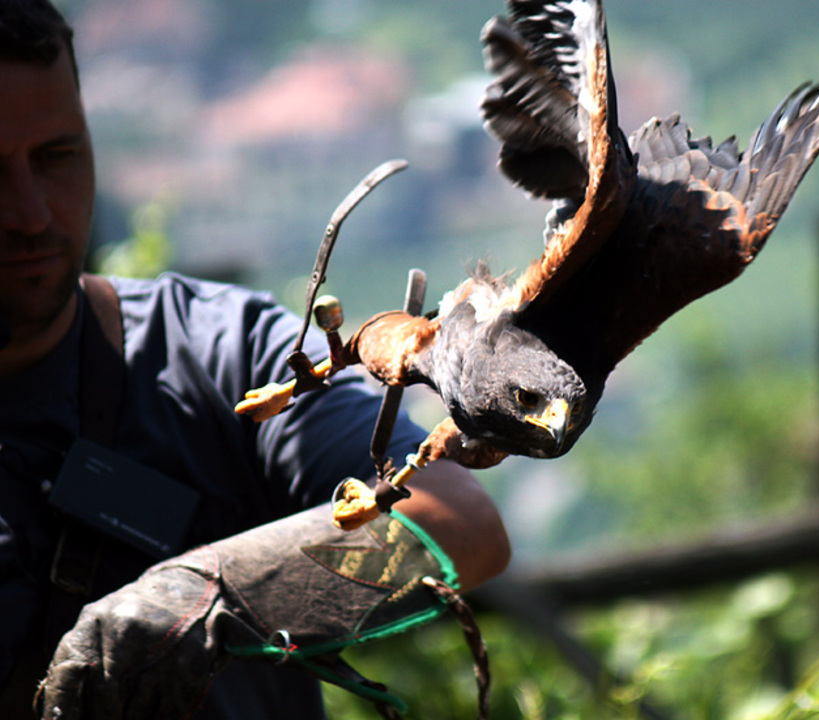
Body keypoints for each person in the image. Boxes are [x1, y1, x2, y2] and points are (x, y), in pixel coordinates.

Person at [0, 1, 511, 718]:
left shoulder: (214, 351)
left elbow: (456, 521)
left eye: (55, 158)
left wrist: (219, 592)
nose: (29, 211)